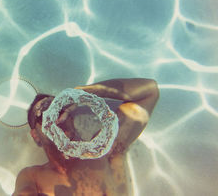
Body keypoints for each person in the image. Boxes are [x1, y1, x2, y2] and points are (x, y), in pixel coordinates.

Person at [13, 78, 159, 196]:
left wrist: (78, 94)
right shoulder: (33, 177)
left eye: (59, 109)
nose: (55, 120)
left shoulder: (105, 149)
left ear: (71, 118)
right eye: (44, 116)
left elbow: (149, 91)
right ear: (36, 136)